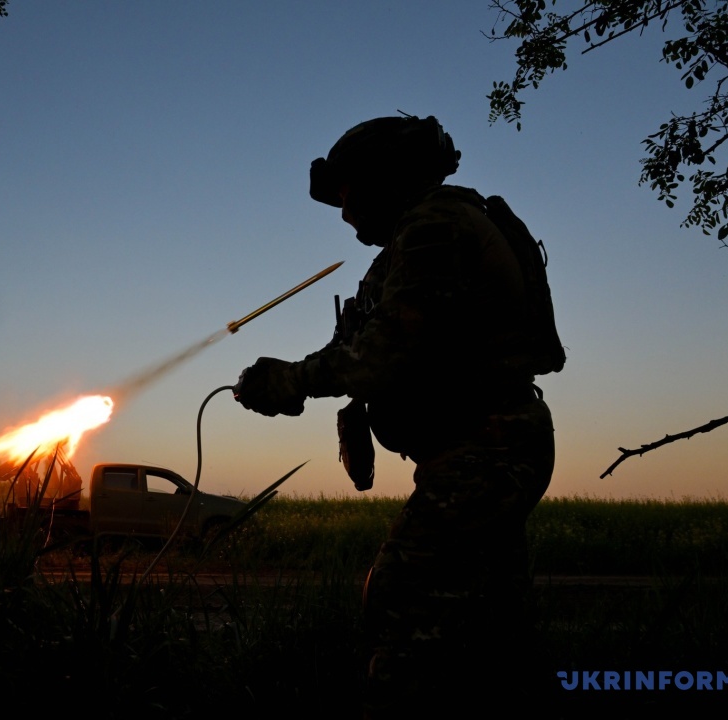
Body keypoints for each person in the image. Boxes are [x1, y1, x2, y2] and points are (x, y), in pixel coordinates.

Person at [233, 115, 562, 711]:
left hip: (484, 449)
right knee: (489, 620)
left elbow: (385, 354)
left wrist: (292, 379)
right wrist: (298, 379)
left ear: (387, 179)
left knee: (401, 600)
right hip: (477, 449)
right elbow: (372, 346)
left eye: (348, 194)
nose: (344, 213)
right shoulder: (420, 239)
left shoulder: (435, 227)